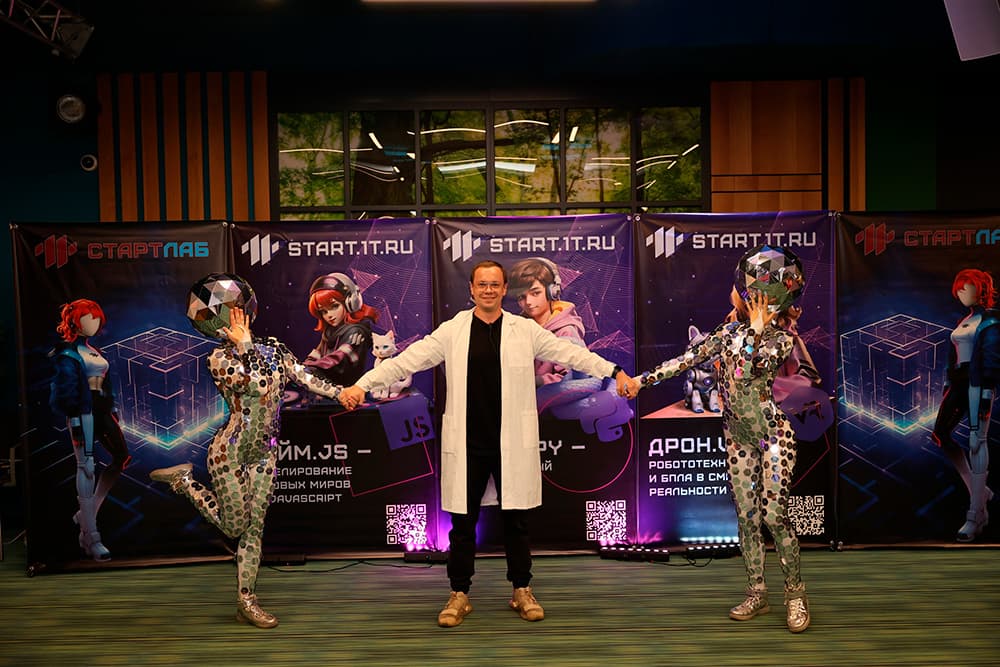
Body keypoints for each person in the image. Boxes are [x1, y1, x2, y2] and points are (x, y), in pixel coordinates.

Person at [337, 260, 629, 628]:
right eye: (482, 284)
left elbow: (571, 354)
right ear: (472, 290)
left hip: (512, 442)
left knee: (516, 521)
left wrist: (614, 371)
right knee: (463, 523)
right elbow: (406, 360)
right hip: (468, 441)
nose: (488, 290)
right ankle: (459, 593)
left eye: (494, 284)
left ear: (504, 289)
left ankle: (521, 589)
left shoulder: (525, 330)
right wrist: (362, 385)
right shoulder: (453, 330)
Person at [622, 244, 811, 633]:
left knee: (774, 516)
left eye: (743, 288)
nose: (734, 291)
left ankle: (796, 595)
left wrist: (756, 330)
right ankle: (757, 592)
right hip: (738, 438)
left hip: (773, 437)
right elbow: (685, 361)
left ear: (758, 297)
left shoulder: (781, 340)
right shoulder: (726, 334)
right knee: (747, 517)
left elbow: (743, 372)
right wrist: (642, 381)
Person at [149, 273, 344, 629]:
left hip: (266, 452)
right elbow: (257, 386)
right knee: (235, 526)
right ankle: (185, 483)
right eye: (226, 312)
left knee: (254, 530)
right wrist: (244, 346)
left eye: (237, 309)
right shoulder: (219, 359)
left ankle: (247, 601)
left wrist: (341, 393)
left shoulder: (275, 348)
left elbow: (304, 376)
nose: (234, 316)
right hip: (231, 453)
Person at [49, 299, 131, 562]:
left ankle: (86, 515)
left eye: (96, 318)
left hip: (102, 411)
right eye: (87, 318)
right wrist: (73, 414)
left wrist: (113, 408)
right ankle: (90, 537)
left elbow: (107, 385)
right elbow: (64, 390)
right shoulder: (67, 353)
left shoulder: (94, 351)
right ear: (74, 321)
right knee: (86, 467)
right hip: (82, 411)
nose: (93, 323)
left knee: (121, 457)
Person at [931, 268, 999, 542]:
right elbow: (954, 356)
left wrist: (986, 392)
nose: (961, 292)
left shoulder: (990, 320)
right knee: (940, 434)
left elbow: (991, 359)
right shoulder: (965, 320)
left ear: (981, 289)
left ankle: (976, 515)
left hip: (977, 382)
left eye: (967, 286)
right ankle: (980, 493)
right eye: (959, 288)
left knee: (976, 442)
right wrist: (948, 383)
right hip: (958, 383)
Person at [303, 272, 379, 386]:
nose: (329, 315)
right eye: (323, 311)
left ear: (350, 303)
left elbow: (339, 360)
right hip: (327, 385)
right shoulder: (330, 331)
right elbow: (317, 353)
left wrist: (309, 369)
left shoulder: (356, 332)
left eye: (334, 306)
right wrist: (302, 367)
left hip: (347, 388)